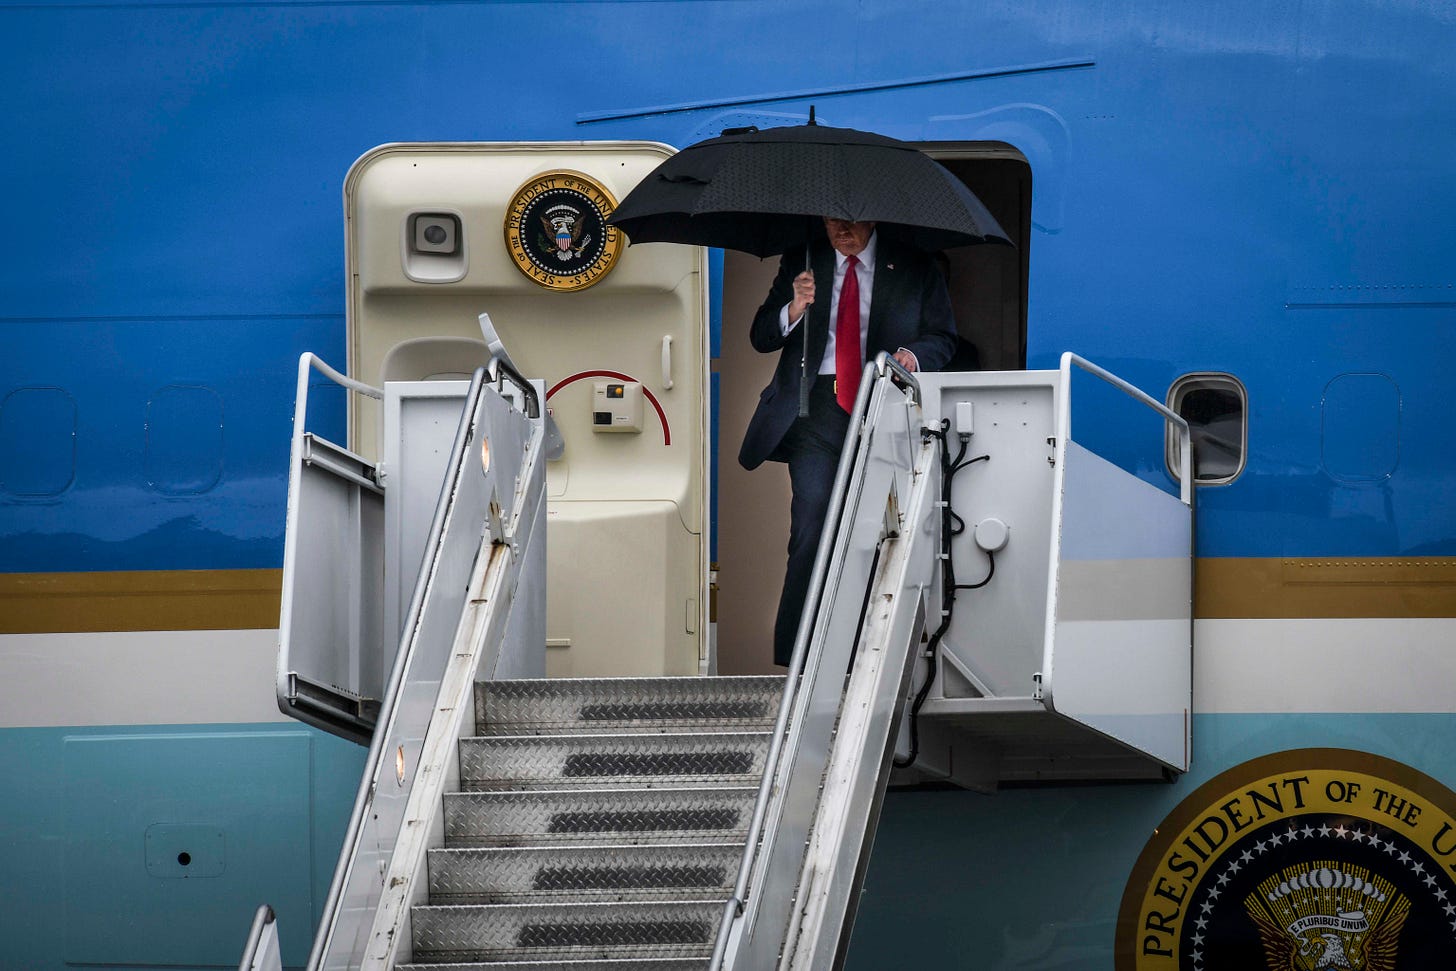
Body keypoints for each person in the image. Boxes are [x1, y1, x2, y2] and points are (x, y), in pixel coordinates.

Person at [738, 217, 957, 666]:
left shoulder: (915, 265)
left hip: (880, 406)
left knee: (878, 527)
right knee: (812, 523)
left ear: (873, 217)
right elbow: (761, 336)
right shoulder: (802, 260)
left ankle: (870, 649)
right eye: (833, 219)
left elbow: (943, 337)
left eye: (852, 220)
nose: (842, 229)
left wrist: (911, 357)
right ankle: (797, 653)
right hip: (813, 413)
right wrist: (794, 307)